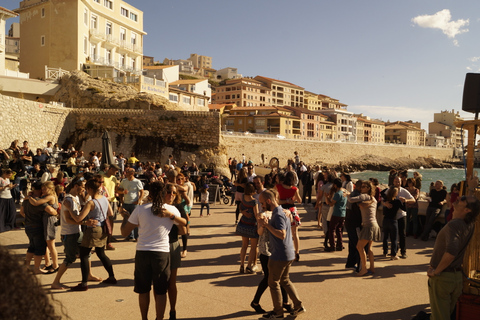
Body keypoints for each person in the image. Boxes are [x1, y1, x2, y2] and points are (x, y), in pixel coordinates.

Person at [120, 181, 185, 320]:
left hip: (143, 252)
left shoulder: (140, 209)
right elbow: (184, 224)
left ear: (150, 193)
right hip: (161, 253)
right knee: (161, 291)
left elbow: (124, 232)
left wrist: (125, 217)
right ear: (163, 193)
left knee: (143, 291)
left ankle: (144, 318)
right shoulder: (170, 210)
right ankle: (159, 318)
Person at [427, 195, 480, 320]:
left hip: (443, 278)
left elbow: (451, 252)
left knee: (439, 317)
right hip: (455, 278)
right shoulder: (470, 224)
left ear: (467, 210)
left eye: (463, 200)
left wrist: (436, 272)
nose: (460, 198)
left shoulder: (454, 225)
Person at [258, 189, 305, 319]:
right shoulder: (281, 211)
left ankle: (278, 312)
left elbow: (282, 234)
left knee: (273, 283)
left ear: (268, 201)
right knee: (285, 280)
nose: (261, 206)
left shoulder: (278, 214)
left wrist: (267, 226)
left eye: (262, 203)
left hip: (279, 255)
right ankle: (298, 305)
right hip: (288, 253)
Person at [51, 179, 100, 290]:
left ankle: (89, 274)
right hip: (69, 234)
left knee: (87, 253)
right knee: (70, 258)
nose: (84, 189)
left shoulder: (76, 198)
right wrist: (84, 222)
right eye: (82, 186)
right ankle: (55, 282)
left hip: (77, 232)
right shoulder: (68, 200)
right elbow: (68, 219)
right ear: (76, 186)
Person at [70, 178, 117, 291]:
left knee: (84, 255)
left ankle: (84, 283)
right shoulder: (105, 199)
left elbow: (79, 218)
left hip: (93, 230)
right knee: (101, 253)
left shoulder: (91, 203)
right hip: (103, 228)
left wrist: (70, 210)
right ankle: (112, 276)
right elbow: (110, 213)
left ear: (90, 189)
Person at [251, 209, 292, 315]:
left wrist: (289, 212)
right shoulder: (262, 215)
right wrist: (263, 224)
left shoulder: (280, 213)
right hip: (266, 251)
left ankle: (285, 302)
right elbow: (259, 232)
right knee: (269, 277)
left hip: (276, 250)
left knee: (280, 276)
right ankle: (255, 302)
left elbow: (290, 219)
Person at [164, 183, 188, 320]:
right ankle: (159, 314)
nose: (171, 195)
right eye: (168, 192)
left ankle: (172, 312)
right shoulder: (157, 207)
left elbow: (184, 225)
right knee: (160, 283)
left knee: (171, 283)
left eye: (174, 193)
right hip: (158, 247)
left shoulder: (178, 208)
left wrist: (172, 217)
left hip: (172, 244)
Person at [27, 181, 60, 273]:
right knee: (46, 244)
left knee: (51, 245)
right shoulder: (47, 196)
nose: (43, 191)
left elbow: (36, 203)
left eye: (45, 189)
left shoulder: (50, 197)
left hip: (50, 221)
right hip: (46, 221)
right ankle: (48, 263)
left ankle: (55, 265)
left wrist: (30, 196)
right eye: (42, 189)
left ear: (50, 189)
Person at [348, 181, 380, 276]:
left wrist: (347, 194)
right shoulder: (373, 198)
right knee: (369, 248)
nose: (362, 188)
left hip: (368, 226)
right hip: (374, 224)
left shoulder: (364, 196)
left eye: (364, 187)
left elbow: (351, 200)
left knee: (359, 246)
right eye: (361, 187)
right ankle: (372, 268)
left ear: (369, 188)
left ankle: (364, 269)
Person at [275, 171, 302, 261]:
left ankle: (284, 252)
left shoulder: (278, 187)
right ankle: (297, 252)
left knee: (283, 233)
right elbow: (300, 201)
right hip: (292, 210)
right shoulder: (294, 189)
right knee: (295, 233)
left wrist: (285, 200)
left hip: (282, 210)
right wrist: (292, 198)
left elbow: (276, 200)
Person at [235, 182, 260, 274]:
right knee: (253, 247)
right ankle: (249, 266)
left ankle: (241, 265)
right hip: (252, 225)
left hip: (243, 223)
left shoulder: (243, 198)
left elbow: (240, 206)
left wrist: (243, 212)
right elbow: (256, 215)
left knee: (244, 246)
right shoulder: (254, 201)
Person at [119, 167, 144, 241]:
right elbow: (121, 190)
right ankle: (129, 235)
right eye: (126, 172)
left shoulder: (137, 182)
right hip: (126, 203)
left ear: (132, 173)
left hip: (134, 203)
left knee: (135, 220)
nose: (126, 173)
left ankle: (136, 236)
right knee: (127, 219)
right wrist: (121, 200)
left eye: (128, 172)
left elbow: (142, 191)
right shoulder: (123, 181)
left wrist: (139, 200)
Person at [324, 178, 347, 252]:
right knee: (339, 230)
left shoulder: (338, 194)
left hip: (336, 213)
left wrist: (327, 198)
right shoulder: (344, 192)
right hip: (343, 213)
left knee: (331, 229)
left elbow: (331, 204)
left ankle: (332, 246)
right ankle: (340, 245)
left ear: (336, 185)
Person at [381, 186, 403, 260]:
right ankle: (393, 255)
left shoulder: (386, 201)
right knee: (394, 239)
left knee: (385, 237)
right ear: (395, 193)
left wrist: (384, 203)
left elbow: (382, 193)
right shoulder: (397, 201)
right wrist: (404, 201)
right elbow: (404, 209)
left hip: (385, 220)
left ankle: (385, 252)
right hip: (393, 220)